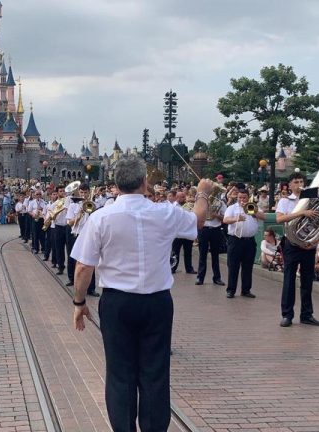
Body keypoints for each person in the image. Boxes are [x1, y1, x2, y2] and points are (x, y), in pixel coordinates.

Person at [71, 157, 211, 432]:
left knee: (120, 373)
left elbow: (84, 266)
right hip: (156, 302)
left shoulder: (100, 217)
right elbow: (199, 220)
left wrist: (79, 302)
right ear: (145, 182)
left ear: (115, 184)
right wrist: (203, 191)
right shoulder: (166, 212)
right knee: (155, 372)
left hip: (117, 303)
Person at [276, 172, 319, 328]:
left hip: (308, 244)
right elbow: (280, 219)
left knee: (307, 281)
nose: (299, 184)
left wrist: (315, 239)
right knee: (289, 279)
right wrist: (302, 212)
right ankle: (287, 315)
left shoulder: (312, 199)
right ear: (289, 185)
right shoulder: (285, 201)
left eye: (301, 181)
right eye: (295, 182)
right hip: (291, 243)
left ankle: (306, 314)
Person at [222, 189, 266, 298]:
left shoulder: (251, 206)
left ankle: (246, 290)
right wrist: (236, 218)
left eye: (244, 198)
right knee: (233, 266)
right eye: (240, 198)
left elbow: (263, 217)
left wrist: (252, 211)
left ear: (248, 197)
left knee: (248, 266)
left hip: (249, 241)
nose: (242, 200)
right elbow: (225, 220)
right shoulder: (232, 208)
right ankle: (231, 290)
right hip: (235, 240)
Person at [195, 188, 225, 286]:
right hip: (204, 229)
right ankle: (200, 277)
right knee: (202, 254)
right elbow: (196, 215)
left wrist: (216, 215)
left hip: (216, 229)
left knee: (215, 255)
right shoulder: (201, 202)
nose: (212, 194)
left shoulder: (220, 203)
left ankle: (217, 278)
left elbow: (225, 218)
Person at [171, 190, 196, 274]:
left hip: (188, 231)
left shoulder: (189, 206)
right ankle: (173, 268)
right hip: (178, 233)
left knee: (188, 252)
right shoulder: (174, 206)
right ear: (177, 198)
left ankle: (189, 268)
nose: (184, 198)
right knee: (175, 252)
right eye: (182, 197)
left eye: (184, 196)